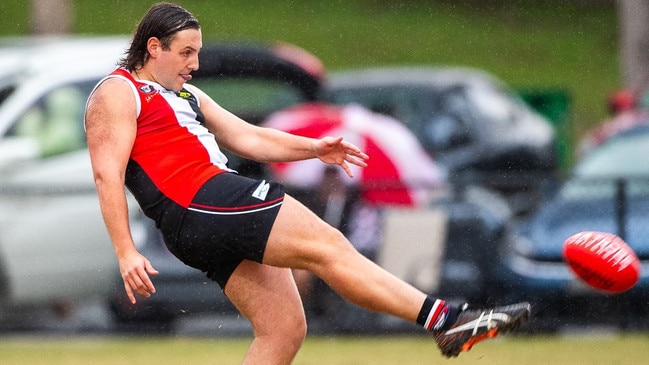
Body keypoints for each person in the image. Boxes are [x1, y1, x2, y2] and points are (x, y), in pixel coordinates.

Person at [84, 3, 531, 363]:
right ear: (154, 46)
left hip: (198, 218)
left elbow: (250, 137)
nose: (195, 64)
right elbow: (107, 172)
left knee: (282, 332)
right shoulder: (117, 91)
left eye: (197, 52)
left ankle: (445, 321)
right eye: (185, 53)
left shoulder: (184, 94)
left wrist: (313, 148)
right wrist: (125, 250)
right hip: (203, 200)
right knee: (329, 245)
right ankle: (447, 320)